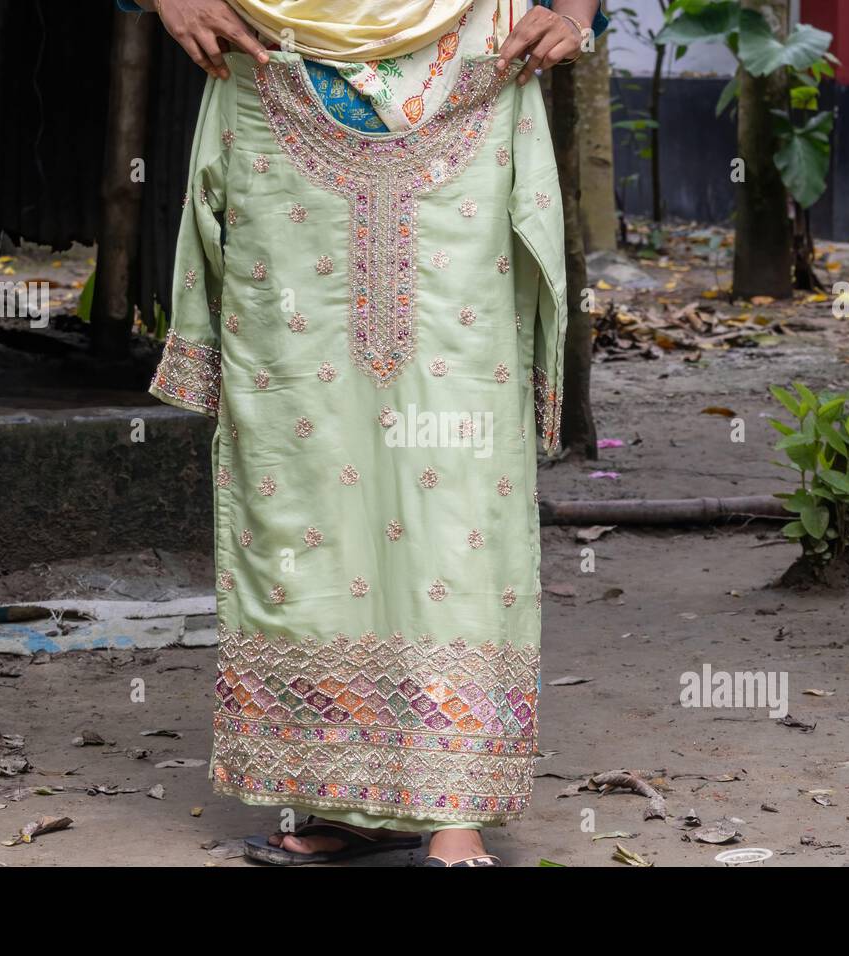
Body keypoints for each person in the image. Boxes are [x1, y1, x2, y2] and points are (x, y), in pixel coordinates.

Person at [131, 0, 604, 866]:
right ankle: (336, 793)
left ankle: (453, 801)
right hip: (270, 60)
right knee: (303, 464)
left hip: (471, 64)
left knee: (456, 460)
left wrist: (576, 10)